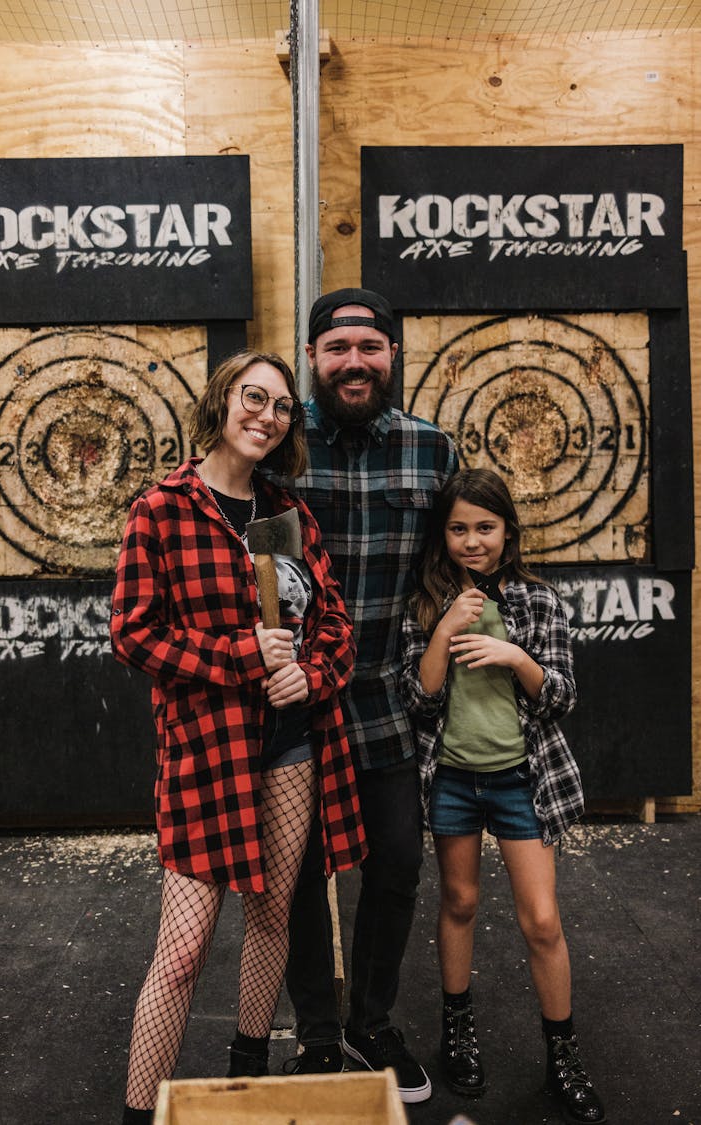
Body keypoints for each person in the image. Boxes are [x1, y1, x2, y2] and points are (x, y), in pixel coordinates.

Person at [110, 350, 367, 1123]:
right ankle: (137, 1113)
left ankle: (245, 1076)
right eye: (253, 398)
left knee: (272, 915)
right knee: (182, 950)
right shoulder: (163, 508)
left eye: (282, 405)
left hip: (289, 741)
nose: (267, 414)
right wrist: (238, 657)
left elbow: (333, 628)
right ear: (221, 402)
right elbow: (133, 633)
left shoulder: (284, 515)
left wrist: (310, 677)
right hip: (206, 749)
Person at [280, 288, 458, 1104]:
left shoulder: (432, 449)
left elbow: (450, 567)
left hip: (386, 696)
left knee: (395, 866)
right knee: (298, 872)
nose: (354, 360)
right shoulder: (277, 444)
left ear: (393, 355)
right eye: (337, 346)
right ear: (313, 356)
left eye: (371, 346)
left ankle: (372, 1021)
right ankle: (318, 1033)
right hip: (292, 704)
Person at [400, 467, 605, 1124]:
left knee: (541, 919)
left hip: (524, 781)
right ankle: (457, 1031)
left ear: (507, 532)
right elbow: (420, 701)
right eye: (458, 528)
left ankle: (563, 1056)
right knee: (458, 901)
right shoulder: (429, 600)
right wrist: (443, 629)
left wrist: (514, 655)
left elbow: (560, 698)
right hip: (454, 779)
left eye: (484, 527)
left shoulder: (538, 601)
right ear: (444, 534)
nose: (471, 540)